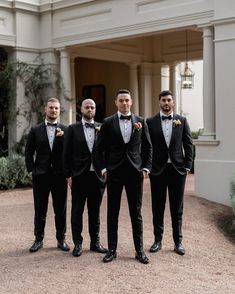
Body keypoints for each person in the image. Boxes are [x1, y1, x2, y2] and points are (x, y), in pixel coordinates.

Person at [95, 89, 152, 264]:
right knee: (113, 212)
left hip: (135, 173)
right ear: (116, 102)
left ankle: (139, 250)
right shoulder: (108, 122)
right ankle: (112, 250)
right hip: (114, 173)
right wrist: (103, 169)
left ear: (131, 102)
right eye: (121, 100)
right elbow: (98, 149)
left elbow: (148, 147)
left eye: (127, 100)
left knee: (136, 213)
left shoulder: (141, 121)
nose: (124, 103)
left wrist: (145, 168)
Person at [146, 90, 193, 255]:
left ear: (173, 102)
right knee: (157, 207)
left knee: (177, 207)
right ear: (159, 102)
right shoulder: (150, 122)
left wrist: (187, 166)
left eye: (169, 100)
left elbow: (188, 144)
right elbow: (146, 146)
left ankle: (178, 242)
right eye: (163, 100)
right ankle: (157, 240)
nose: (166, 103)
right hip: (157, 170)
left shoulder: (182, 120)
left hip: (177, 170)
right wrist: (149, 166)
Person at [63, 99, 107, 257]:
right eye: (87, 107)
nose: (90, 109)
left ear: (95, 110)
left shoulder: (102, 127)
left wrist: (105, 170)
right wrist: (68, 175)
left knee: (94, 212)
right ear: (81, 109)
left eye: (92, 107)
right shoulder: (72, 129)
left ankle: (95, 242)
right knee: (77, 211)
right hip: (79, 177)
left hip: (97, 176)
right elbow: (66, 154)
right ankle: (78, 244)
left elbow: (106, 152)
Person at [25, 97, 69, 253]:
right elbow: (29, 152)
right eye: (51, 108)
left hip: (59, 176)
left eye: (56, 108)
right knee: (40, 209)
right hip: (41, 175)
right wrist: (31, 171)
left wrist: (68, 173)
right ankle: (38, 239)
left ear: (59, 110)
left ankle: (61, 239)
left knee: (60, 209)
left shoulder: (66, 129)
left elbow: (69, 153)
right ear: (45, 109)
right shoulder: (35, 130)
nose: (54, 110)